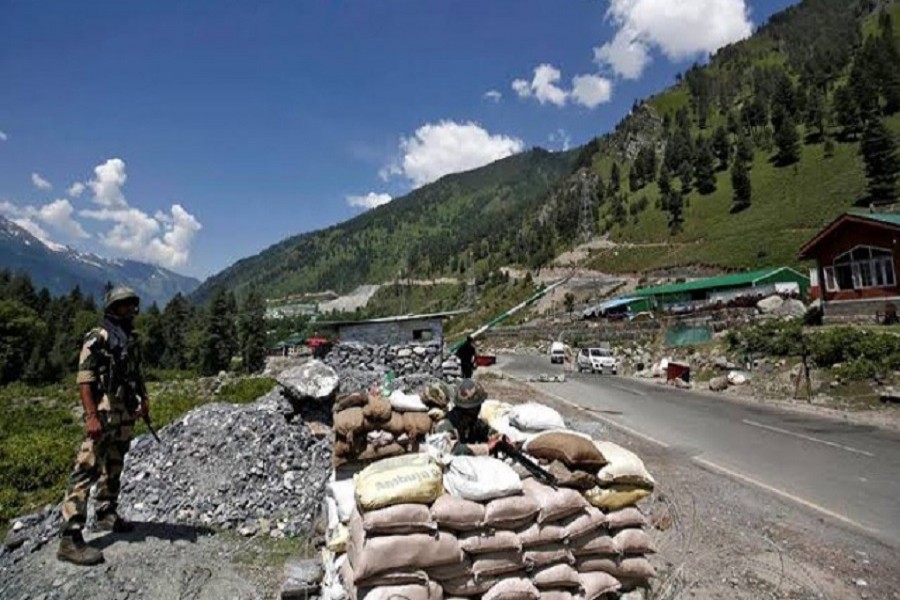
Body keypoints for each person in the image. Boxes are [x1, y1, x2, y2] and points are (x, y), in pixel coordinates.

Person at [57, 286, 150, 566]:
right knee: (87, 468)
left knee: (115, 463)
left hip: (124, 411)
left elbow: (137, 373)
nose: (129, 310)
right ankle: (69, 538)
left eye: (131, 305)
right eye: (123, 305)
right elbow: (84, 378)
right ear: (112, 308)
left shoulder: (131, 338)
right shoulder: (97, 337)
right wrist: (91, 416)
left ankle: (106, 512)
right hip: (103, 410)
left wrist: (144, 400)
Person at [433, 379, 490, 453]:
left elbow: (486, 431)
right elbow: (450, 449)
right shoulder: (446, 424)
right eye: (476, 407)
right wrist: (486, 448)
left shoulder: (472, 423)